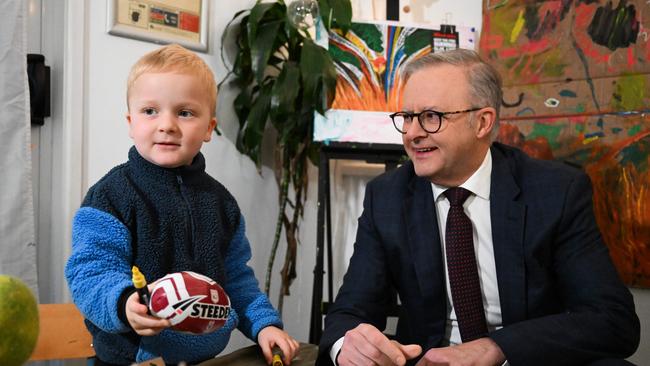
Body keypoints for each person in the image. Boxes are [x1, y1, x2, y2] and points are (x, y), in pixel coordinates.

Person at [316, 49, 640, 366]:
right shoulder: (386, 197)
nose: (412, 133)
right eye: (407, 117)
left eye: (431, 117)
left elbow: (612, 319)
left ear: (483, 122)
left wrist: (497, 348)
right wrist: (349, 346)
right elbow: (350, 311)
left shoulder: (556, 192)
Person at [65, 44, 299, 365]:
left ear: (208, 128)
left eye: (185, 112)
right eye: (150, 111)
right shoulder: (110, 196)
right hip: (132, 359)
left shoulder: (222, 204)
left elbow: (236, 280)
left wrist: (263, 325)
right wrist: (124, 304)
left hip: (205, 359)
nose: (167, 125)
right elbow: (90, 271)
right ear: (131, 122)